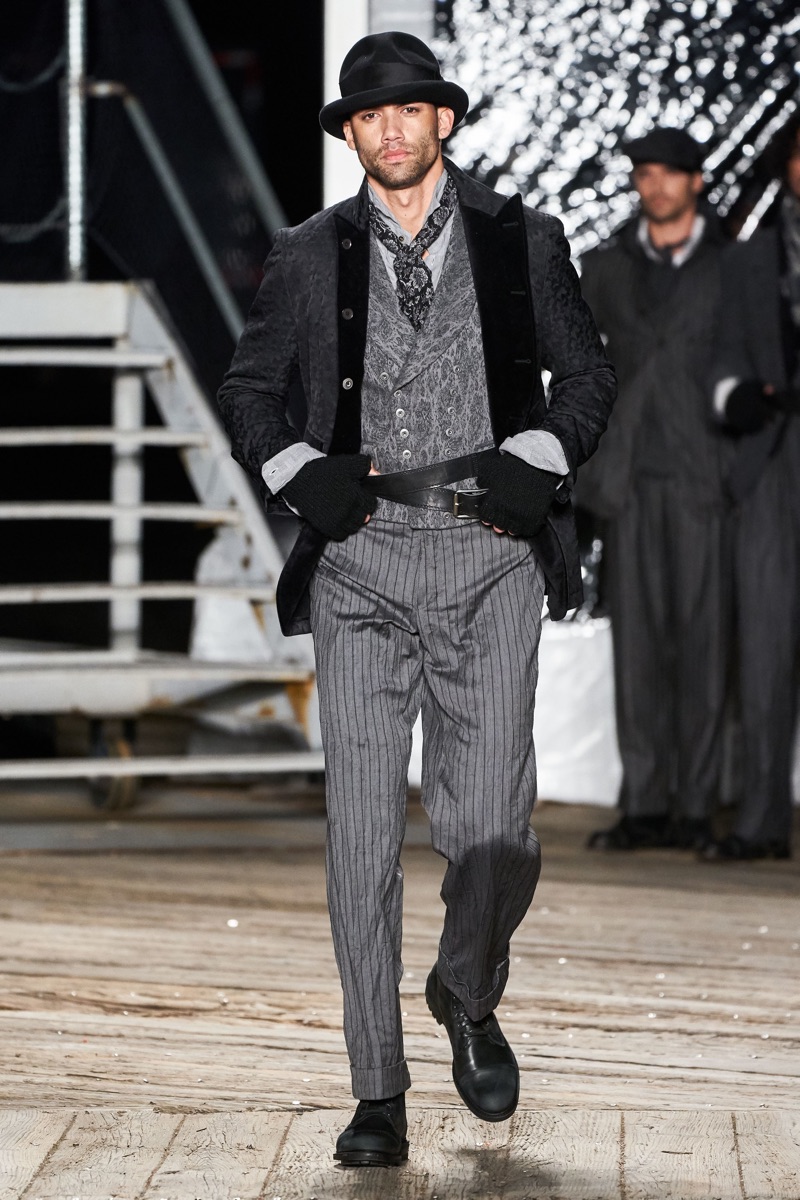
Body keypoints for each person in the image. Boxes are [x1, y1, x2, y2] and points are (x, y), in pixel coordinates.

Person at [218, 31, 615, 1166]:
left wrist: (542, 451)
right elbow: (250, 388)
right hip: (360, 561)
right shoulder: (307, 253)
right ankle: (376, 1090)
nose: (389, 130)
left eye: (408, 109)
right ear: (350, 132)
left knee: (493, 831)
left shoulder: (520, 237)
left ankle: (465, 990)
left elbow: (587, 373)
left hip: (490, 554)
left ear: (443, 118)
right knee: (360, 839)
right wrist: (297, 469)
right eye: (368, 115)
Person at [578, 127, 730, 853]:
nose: (657, 185)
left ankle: (696, 805)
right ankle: (644, 803)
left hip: (705, 476)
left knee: (705, 645)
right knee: (636, 647)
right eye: (645, 173)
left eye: (670, 173)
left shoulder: (733, 266)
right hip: (631, 479)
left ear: (696, 181)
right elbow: (582, 368)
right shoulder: (606, 267)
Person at [703, 116, 800, 861]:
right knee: (764, 650)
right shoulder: (747, 261)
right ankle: (761, 821)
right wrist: (736, 397)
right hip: (770, 459)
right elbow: (721, 364)